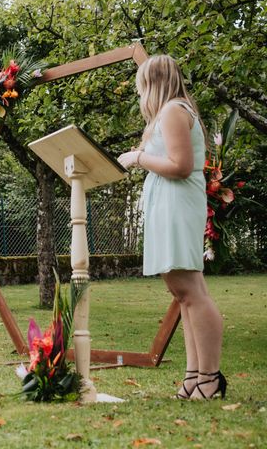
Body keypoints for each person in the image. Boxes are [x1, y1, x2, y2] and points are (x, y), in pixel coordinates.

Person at [117, 55, 225, 400]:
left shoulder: (174, 110)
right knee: (183, 294)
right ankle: (195, 375)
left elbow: (181, 165)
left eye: (140, 85)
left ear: (153, 83)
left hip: (178, 205)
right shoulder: (169, 112)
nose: (138, 92)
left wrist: (138, 158)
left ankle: (209, 377)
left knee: (191, 291)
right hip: (169, 205)